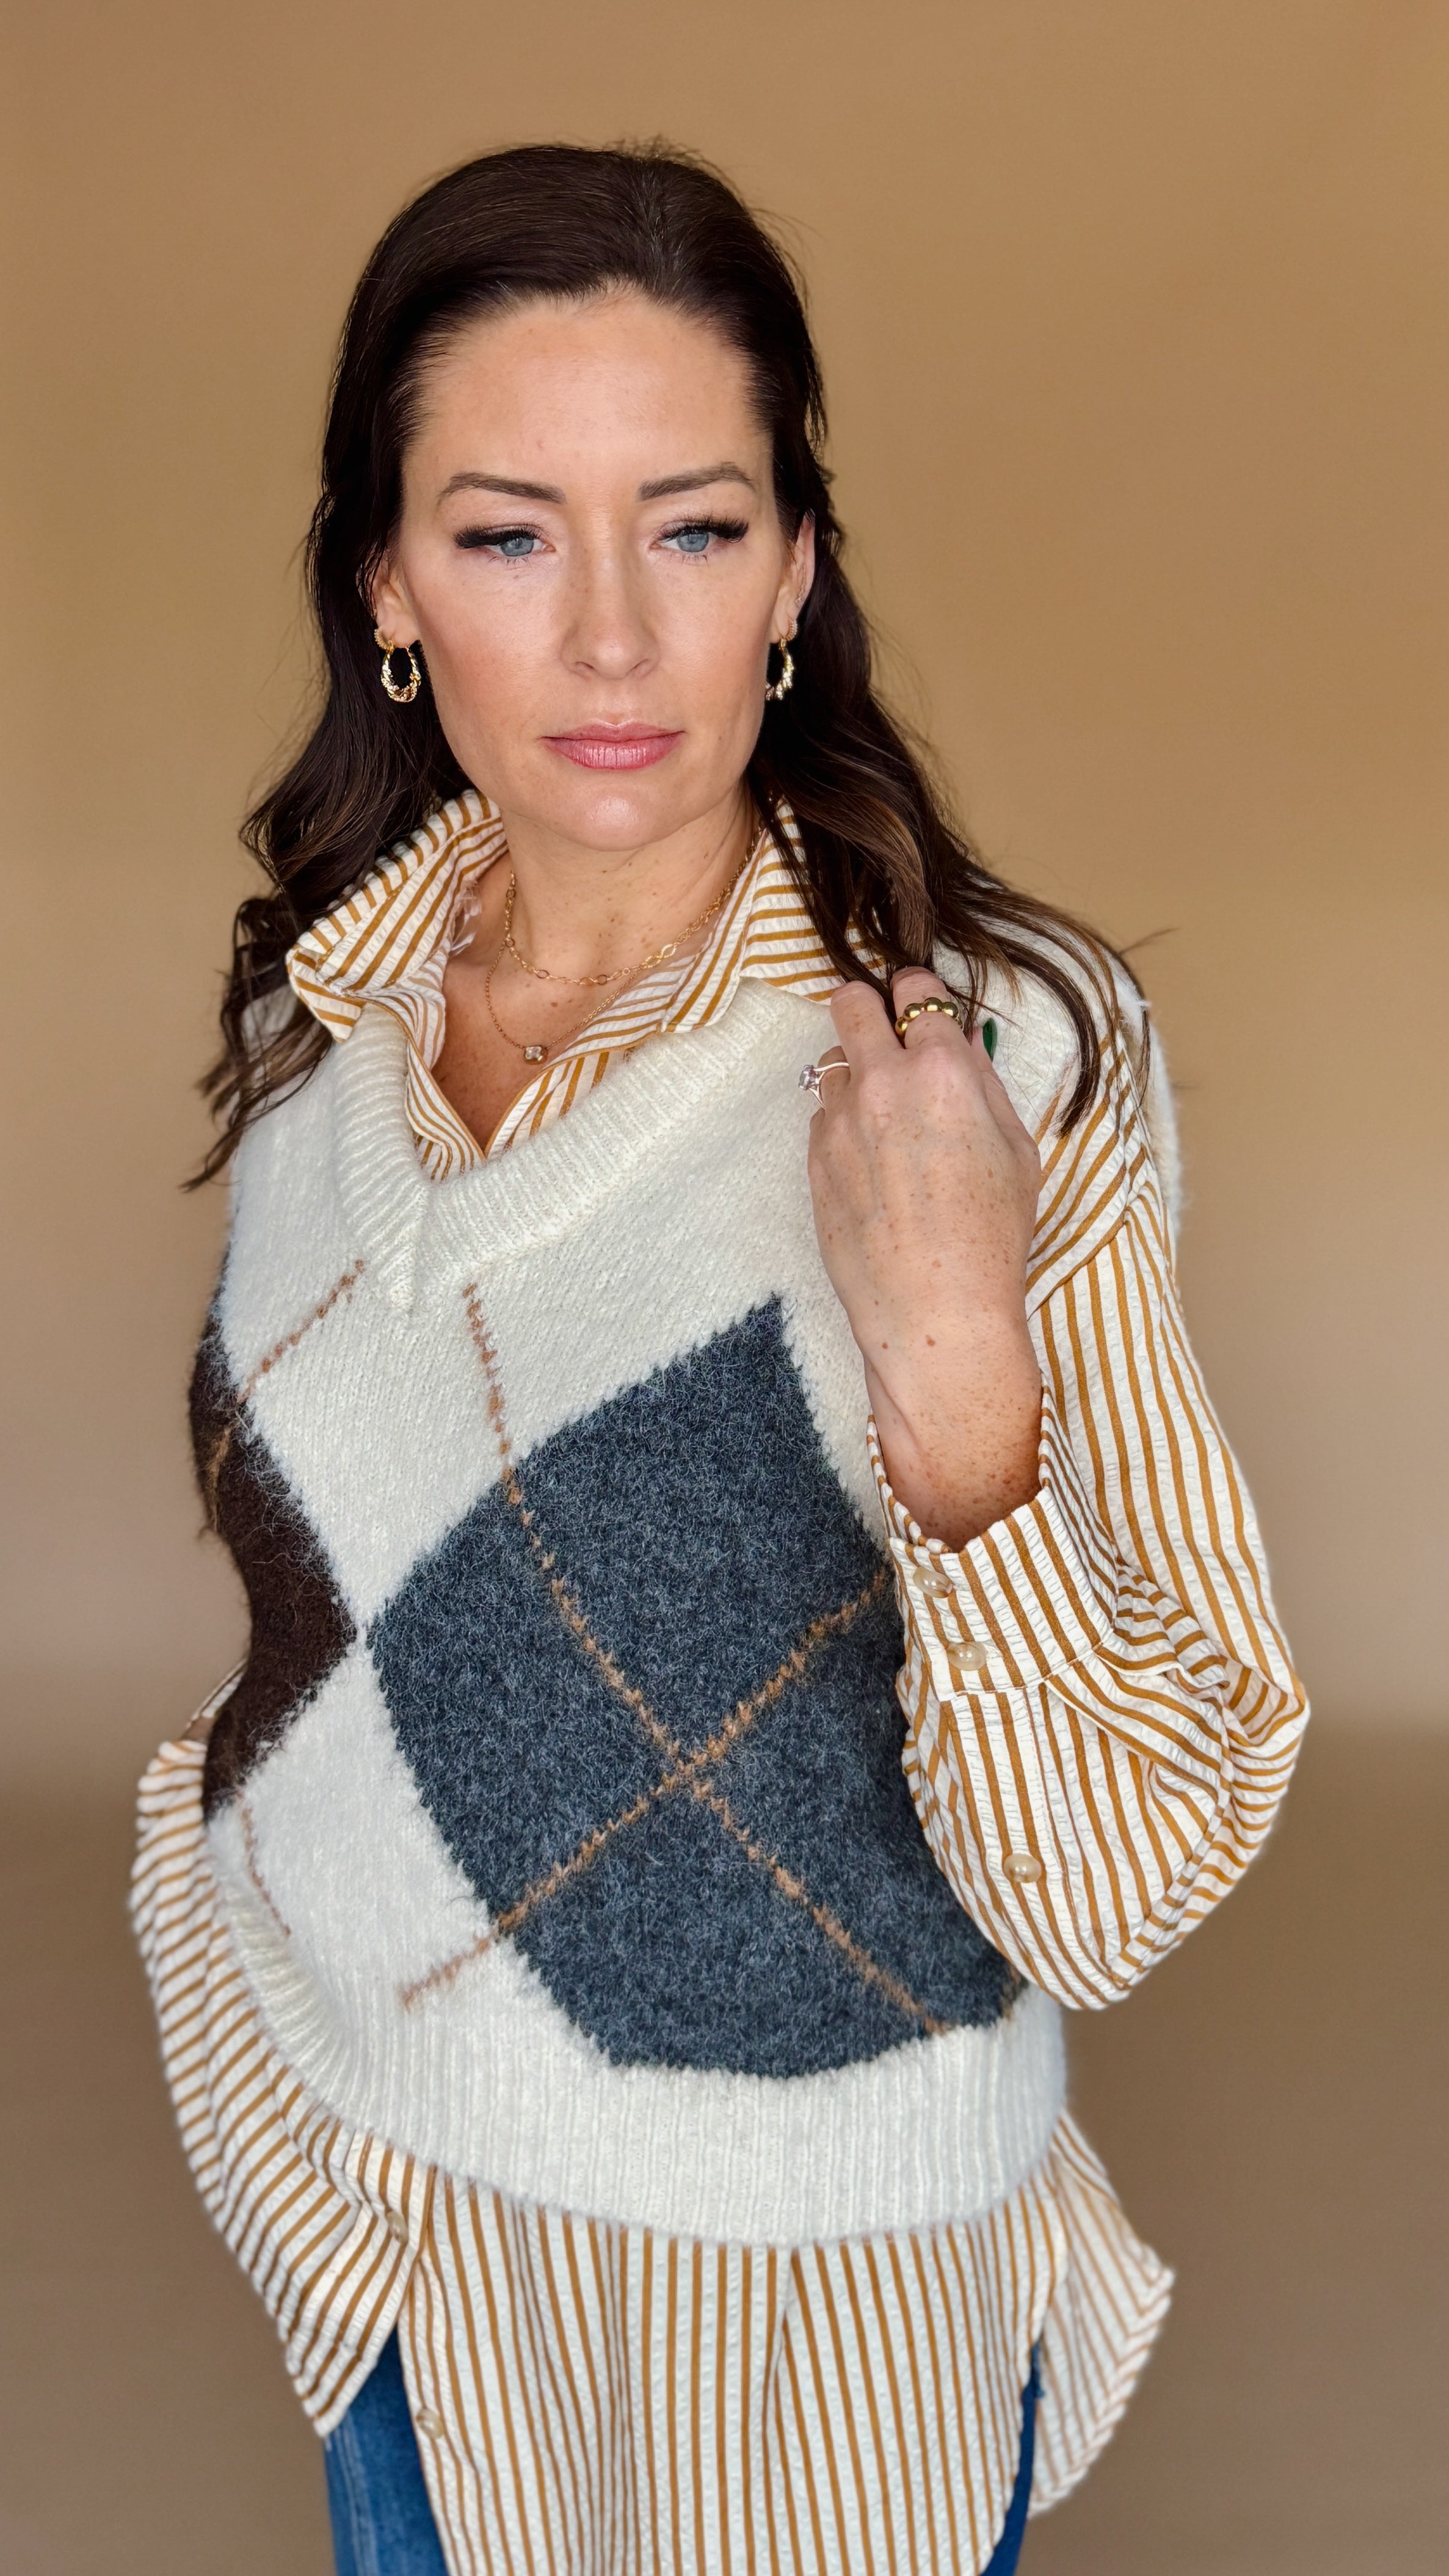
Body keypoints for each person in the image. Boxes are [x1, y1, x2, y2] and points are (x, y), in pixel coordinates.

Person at [133, 142, 1307, 2576]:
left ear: (793, 571)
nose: (607, 637)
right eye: (504, 533)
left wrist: (956, 1367)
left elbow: (1117, 1878)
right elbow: (340, 1616)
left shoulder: (1002, 1053)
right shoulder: (324, 1021)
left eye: (690, 526)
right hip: (373, 2223)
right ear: (384, 586)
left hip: (797, 2329)